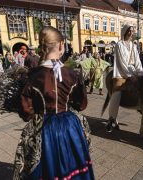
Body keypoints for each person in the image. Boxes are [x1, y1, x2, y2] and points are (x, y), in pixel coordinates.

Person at [13, 26, 94, 180]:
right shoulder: (72, 74)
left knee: (44, 165)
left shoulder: (32, 76)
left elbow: (25, 111)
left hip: (43, 128)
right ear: (61, 45)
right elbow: (81, 104)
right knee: (72, 162)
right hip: (70, 127)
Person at [106, 24, 143, 132]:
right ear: (124, 32)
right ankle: (112, 119)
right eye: (129, 31)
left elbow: (137, 61)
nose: (131, 33)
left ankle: (142, 108)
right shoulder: (119, 45)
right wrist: (129, 75)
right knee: (116, 93)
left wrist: (140, 73)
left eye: (132, 31)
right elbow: (121, 62)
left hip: (133, 71)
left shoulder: (133, 45)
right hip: (121, 73)